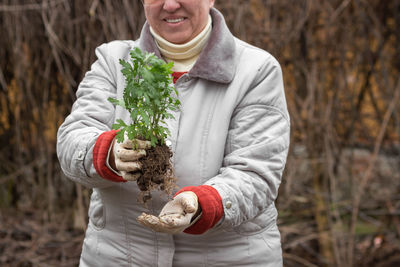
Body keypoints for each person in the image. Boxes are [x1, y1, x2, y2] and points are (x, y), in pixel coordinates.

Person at [57, 0, 290, 266]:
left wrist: (201, 203)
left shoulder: (256, 70)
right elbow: (72, 139)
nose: (170, 5)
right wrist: (107, 153)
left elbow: (256, 173)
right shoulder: (114, 61)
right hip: (118, 256)